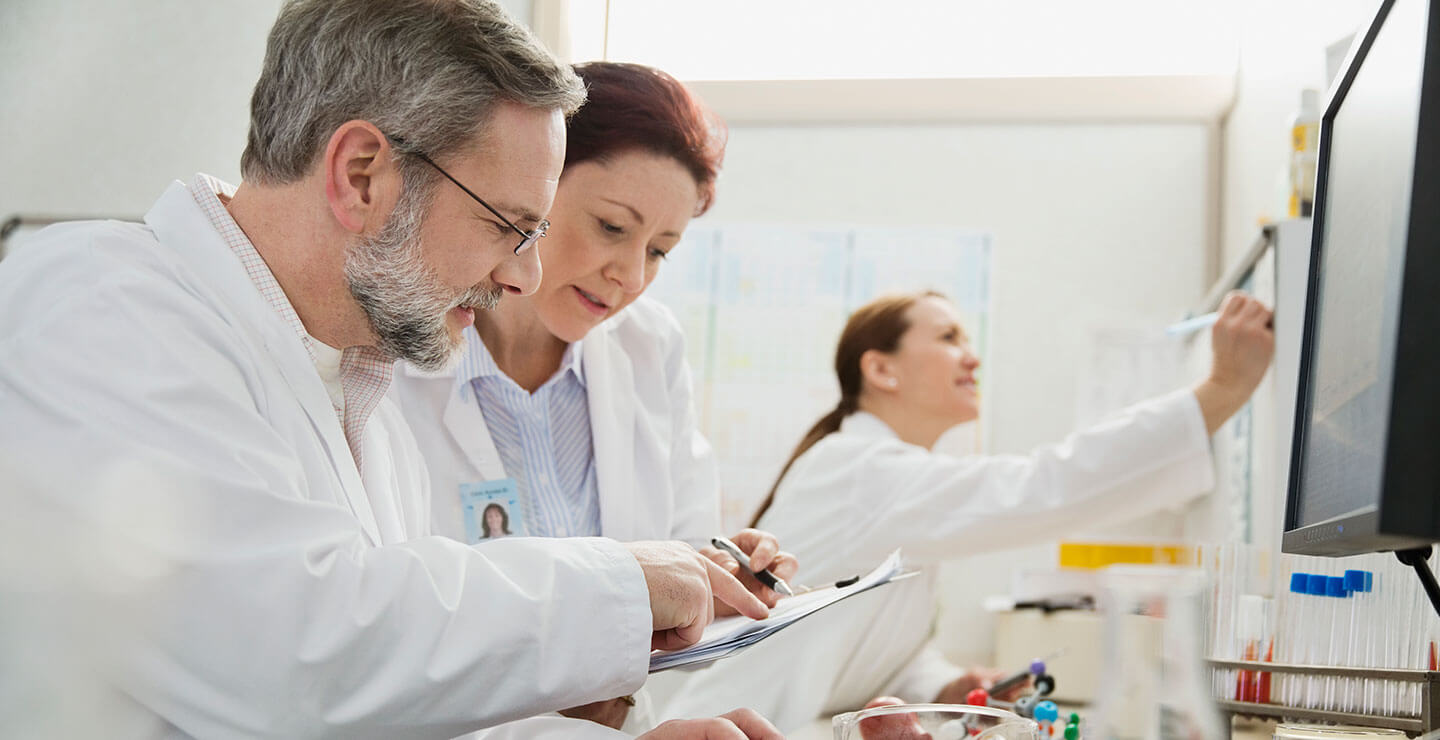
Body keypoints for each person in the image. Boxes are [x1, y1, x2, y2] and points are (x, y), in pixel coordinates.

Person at [0, 2, 783, 738]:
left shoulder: (360, 395)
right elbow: (292, 653)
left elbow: (393, 711)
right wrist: (620, 581)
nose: (525, 278)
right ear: (362, 174)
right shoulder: (103, 305)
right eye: (510, 227)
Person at [390, 61, 798, 734]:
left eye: (661, 249)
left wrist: (721, 579)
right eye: (612, 227)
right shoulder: (399, 356)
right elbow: (391, 630)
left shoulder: (648, 347)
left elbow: (674, 561)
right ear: (533, 186)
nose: (631, 276)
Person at [656, 289, 1274, 731]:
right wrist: (1219, 393)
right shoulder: (861, 468)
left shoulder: (885, 477)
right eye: (949, 338)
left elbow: (864, 636)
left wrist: (941, 686)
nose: (971, 357)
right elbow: (1044, 486)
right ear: (880, 369)